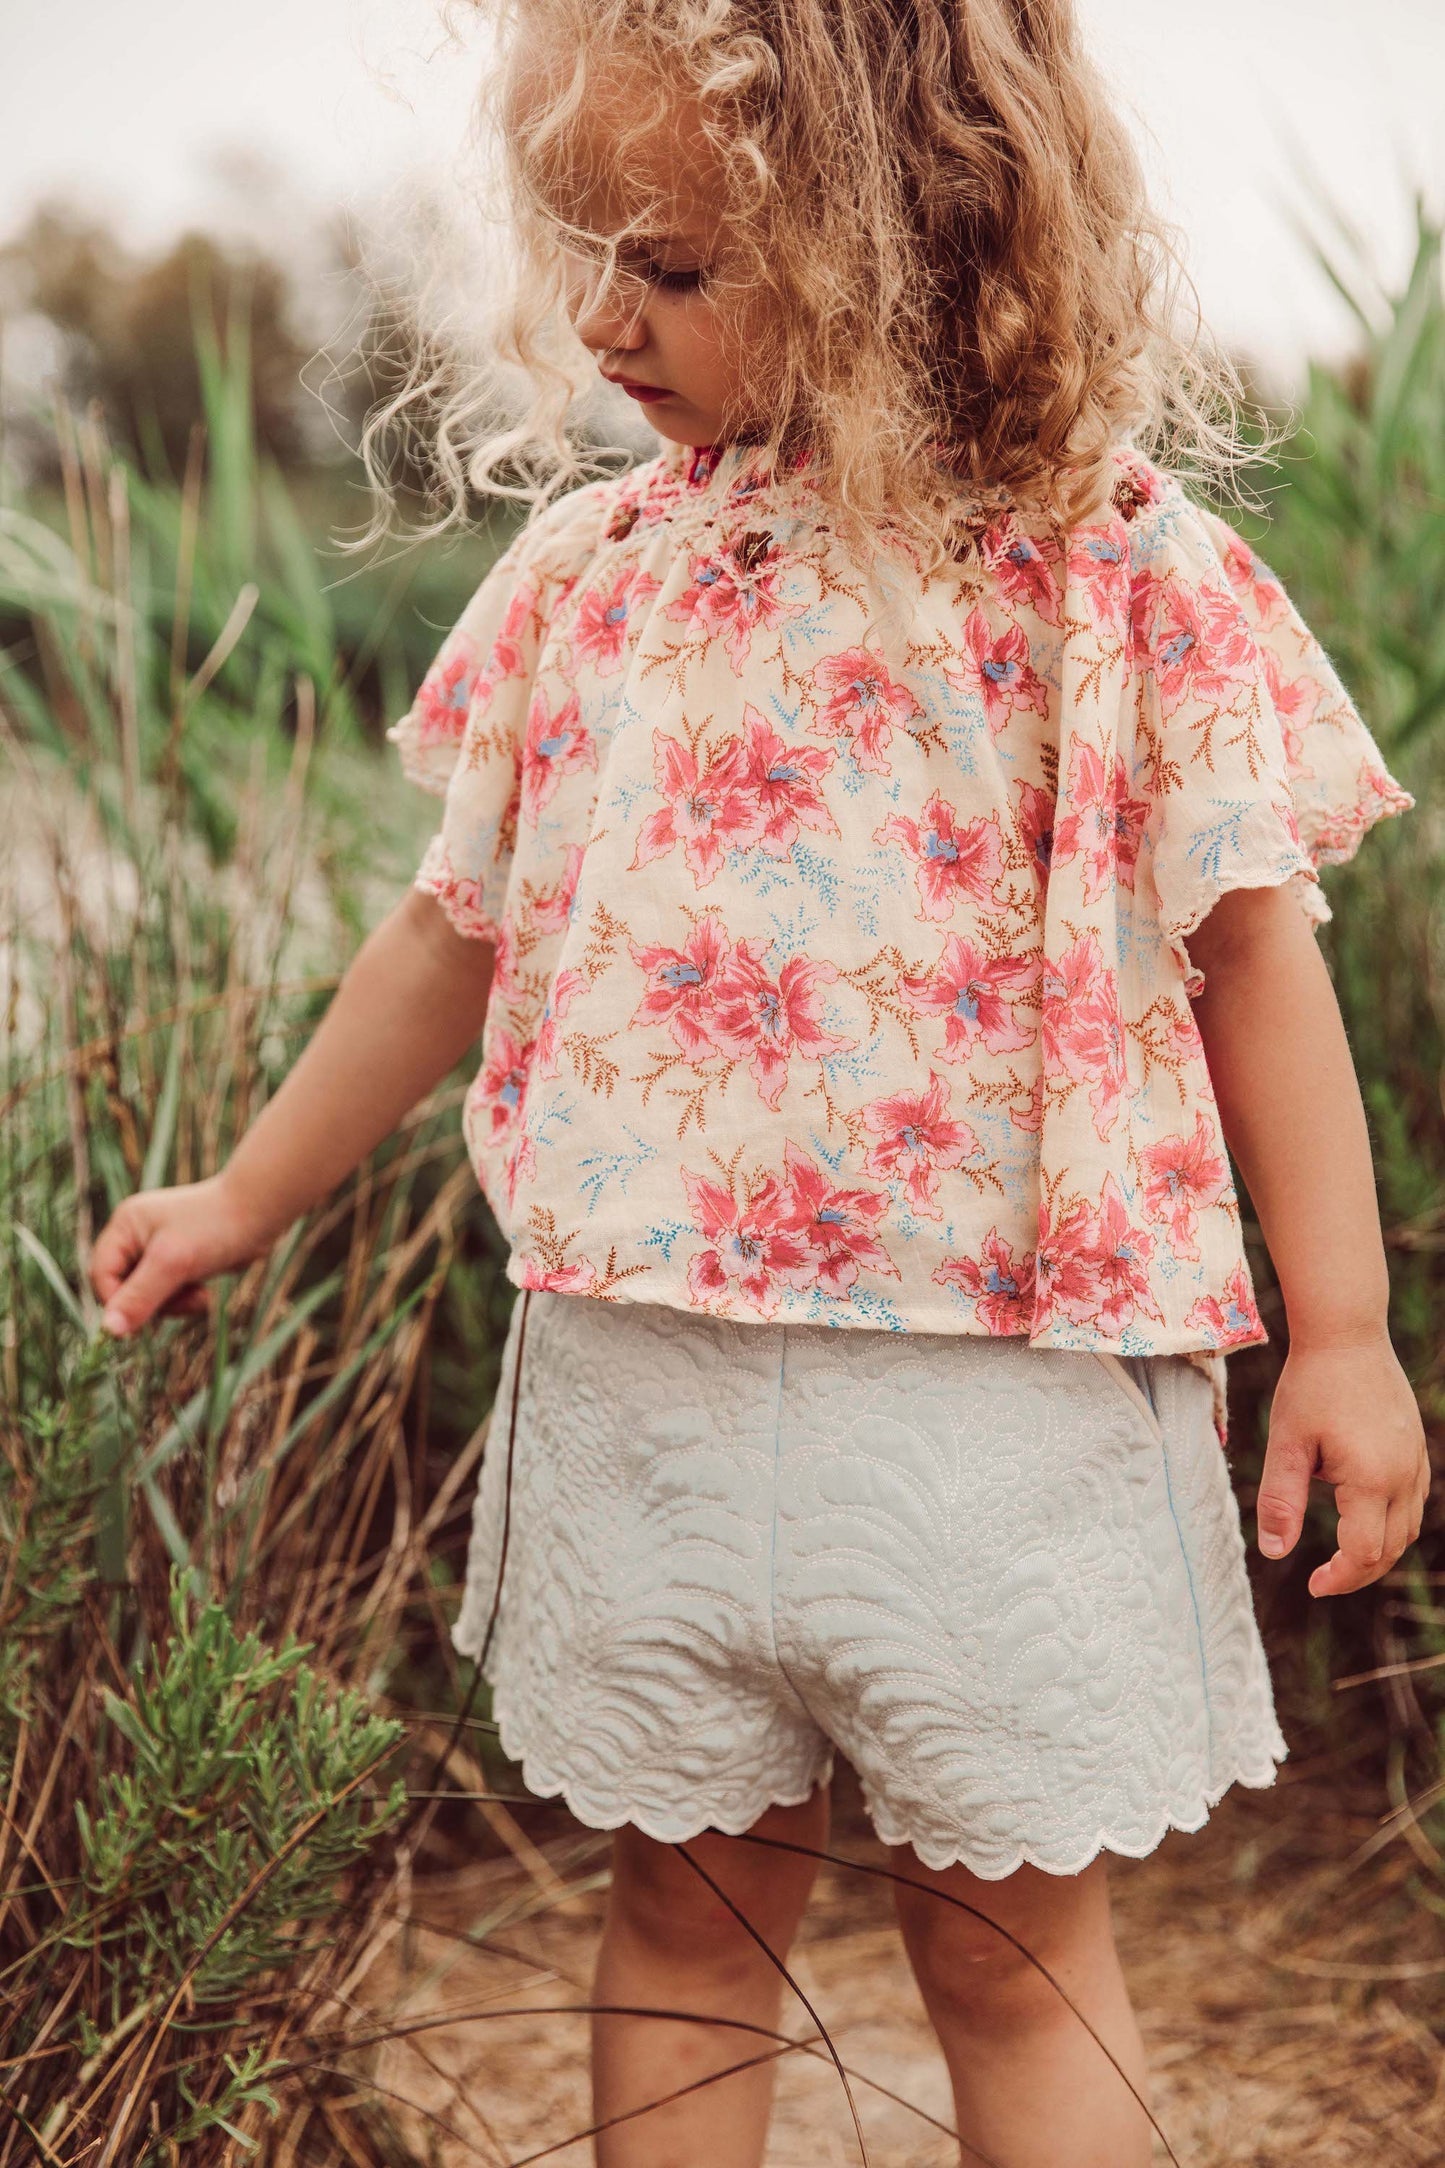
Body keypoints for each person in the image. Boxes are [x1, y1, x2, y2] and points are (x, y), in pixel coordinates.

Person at [90, 3, 1430, 2161]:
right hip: (652, 1391)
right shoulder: (590, 581)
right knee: (691, 1925)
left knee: (1009, 1956)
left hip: (1002, 1396)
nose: (604, 314)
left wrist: (1345, 1333)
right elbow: (453, 927)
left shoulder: (1116, 567)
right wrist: (250, 1192)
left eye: (676, 267)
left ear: (904, 243)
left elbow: (1256, 948)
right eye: (584, 250)